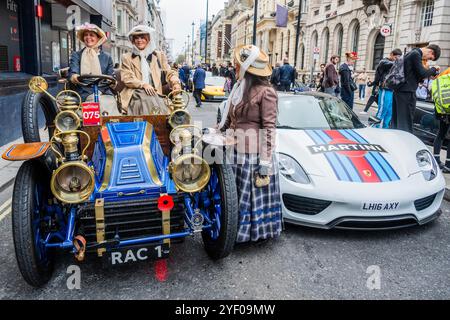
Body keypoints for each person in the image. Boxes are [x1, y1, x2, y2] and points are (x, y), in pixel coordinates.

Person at [219, 44, 282, 243]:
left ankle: (250, 234)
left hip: (252, 155)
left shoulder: (266, 92)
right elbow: (229, 118)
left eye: (237, 65)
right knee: (233, 197)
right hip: (234, 150)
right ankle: (232, 233)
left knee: (248, 198)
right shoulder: (238, 88)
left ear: (246, 68)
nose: (234, 68)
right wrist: (217, 131)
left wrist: (265, 161)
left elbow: (269, 128)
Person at [120, 25, 181, 115]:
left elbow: (169, 72)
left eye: (142, 37)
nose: (139, 40)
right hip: (135, 94)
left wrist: (176, 83)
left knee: (176, 114)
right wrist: (143, 85)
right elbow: (127, 77)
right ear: (133, 41)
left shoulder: (159, 55)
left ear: (148, 40)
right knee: (146, 100)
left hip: (156, 96)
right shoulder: (126, 57)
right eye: (136, 38)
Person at [68, 23, 119, 115]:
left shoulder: (107, 58)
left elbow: (111, 76)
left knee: (109, 102)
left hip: (103, 91)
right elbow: (73, 71)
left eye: (92, 35)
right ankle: (88, 127)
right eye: (86, 35)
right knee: (94, 102)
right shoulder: (77, 55)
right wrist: (74, 76)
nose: (88, 37)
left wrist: (112, 82)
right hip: (83, 91)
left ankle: (109, 126)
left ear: (98, 38)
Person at [392, 44, 441, 132]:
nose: (427, 59)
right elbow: (422, 73)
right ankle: (404, 144)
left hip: (400, 91)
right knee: (405, 123)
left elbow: (417, 75)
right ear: (431, 52)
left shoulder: (412, 52)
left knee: (397, 121)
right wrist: (434, 69)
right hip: (406, 92)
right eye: (430, 58)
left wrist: (430, 73)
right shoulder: (416, 54)